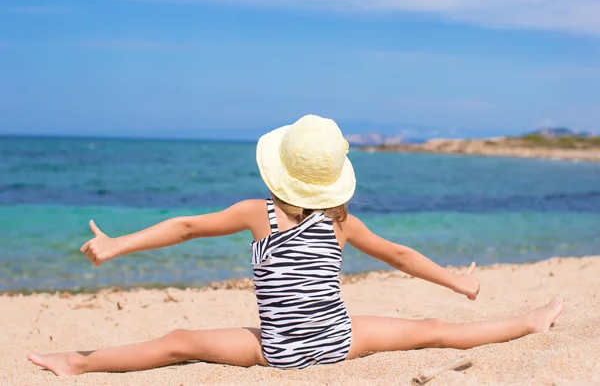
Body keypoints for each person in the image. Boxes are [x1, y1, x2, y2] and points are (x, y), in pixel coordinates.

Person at [27, 114, 563, 376]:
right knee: (435, 333)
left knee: (177, 340)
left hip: (277, 350)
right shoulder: (340, 221)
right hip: (338, 341)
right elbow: (399, 255)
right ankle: (528, 322)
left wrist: (118, 245)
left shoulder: (257, 214)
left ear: (280, 171)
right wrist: (458, 280)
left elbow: (185, 228)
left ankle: (77, 363)